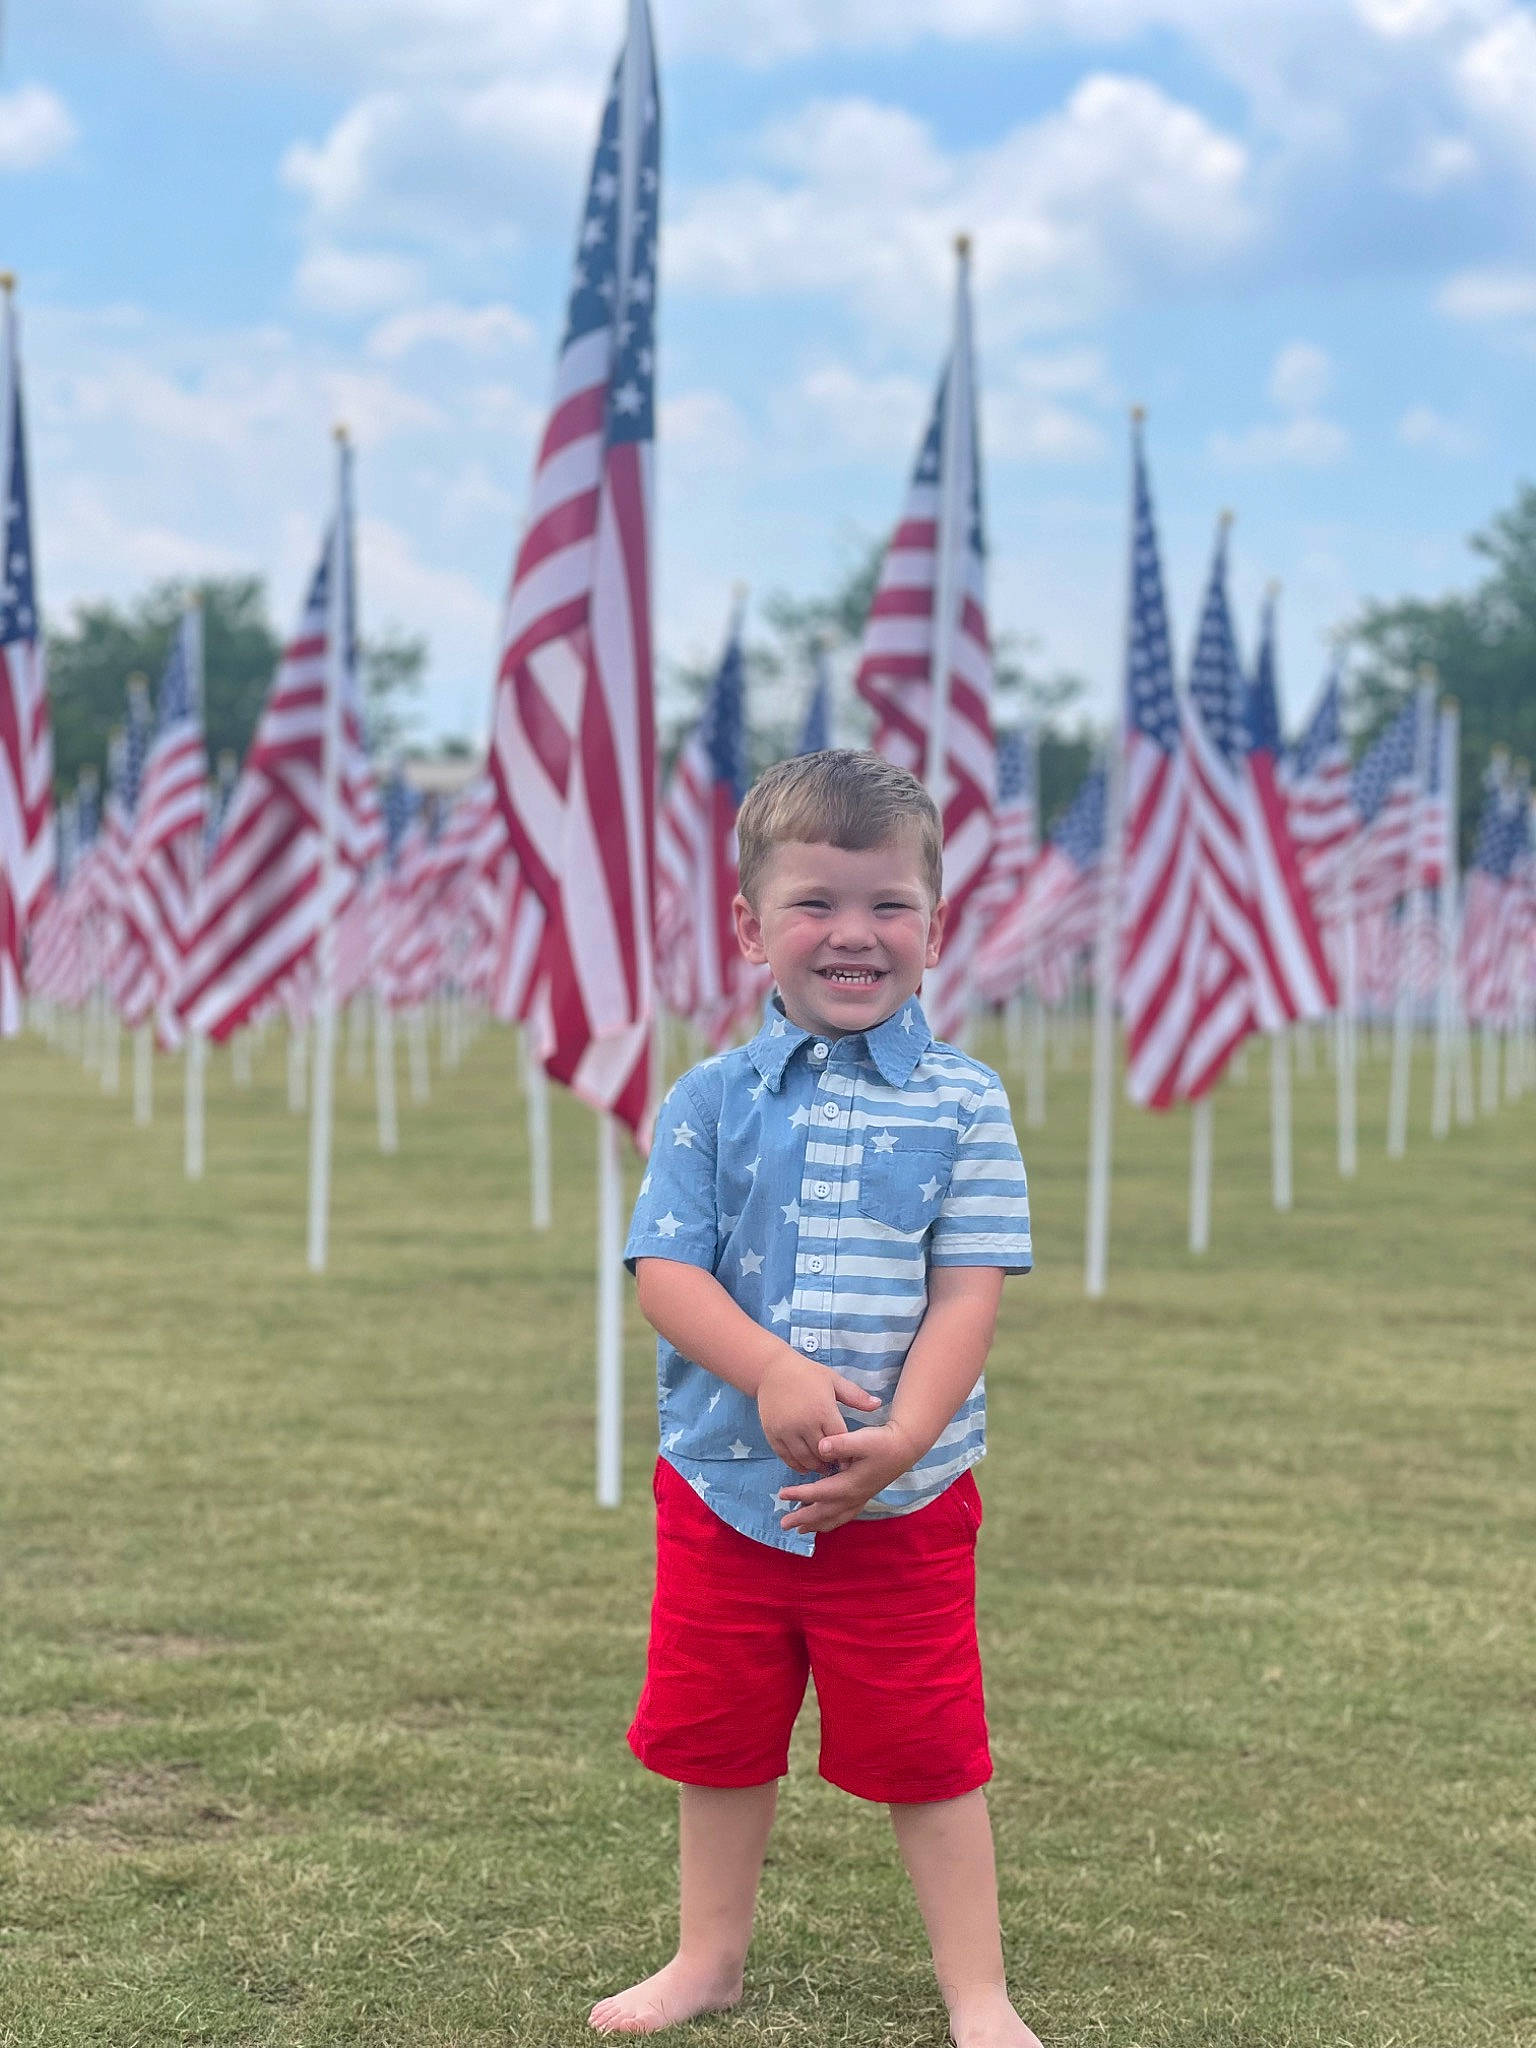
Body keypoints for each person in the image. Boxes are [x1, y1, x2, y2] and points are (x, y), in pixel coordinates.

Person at [590, 750, 1040, 2047]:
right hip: (726, 1489)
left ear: (937, 927)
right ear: (749, 928)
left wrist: (901, 1437)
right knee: (716, 1740)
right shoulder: (709, 1101)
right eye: (815, 904)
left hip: (903, 1504)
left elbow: (967, 1294)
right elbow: (666, 1274)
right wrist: (771, 1368)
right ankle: (706, 1959)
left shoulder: (966, 1105)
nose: (855, 935)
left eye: (890, 904)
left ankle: (979, 1994)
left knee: (930, 1751)